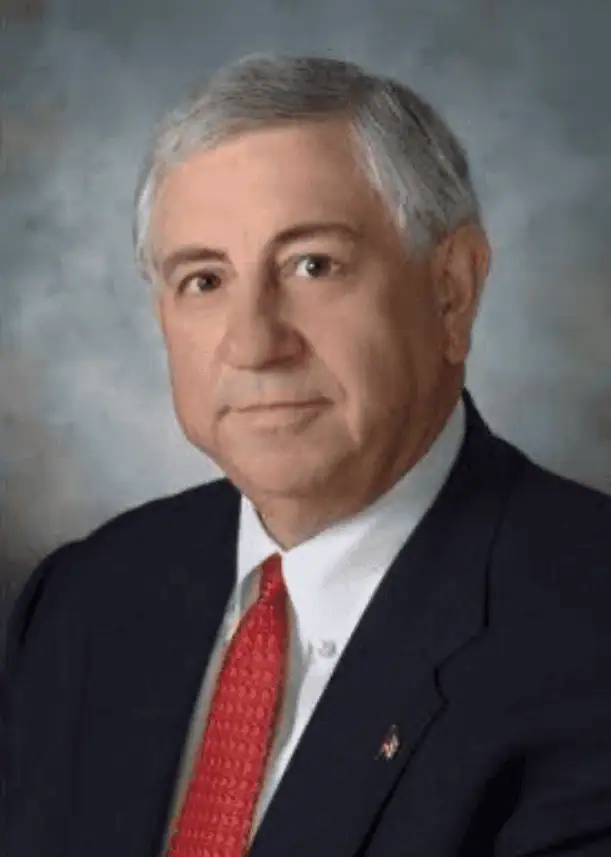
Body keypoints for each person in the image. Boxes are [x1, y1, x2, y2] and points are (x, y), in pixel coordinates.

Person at [4, 52, 611, 857]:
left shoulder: (588, 628)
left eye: (312, 265)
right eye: (204, 279)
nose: (254, 343)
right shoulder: (84, 599)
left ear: (452, 289)